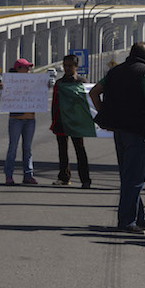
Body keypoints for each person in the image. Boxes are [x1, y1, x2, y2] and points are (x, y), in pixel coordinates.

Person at [90, 42, 145, 234]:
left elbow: (94, 92)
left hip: (120, 132)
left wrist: (105, 113)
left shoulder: (115, 72)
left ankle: (138, 216)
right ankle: (127, 221)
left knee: (128, 176)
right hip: (139, 132)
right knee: (136, 178)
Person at [50, 54, 92, 188]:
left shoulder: (82, 82)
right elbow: (55, 104)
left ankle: (85, 180)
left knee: (80, 150)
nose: (67, 68)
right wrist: (54, 121)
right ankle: (63, 177)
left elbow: (87, 103)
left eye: (70, 66)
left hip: (76, 122)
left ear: (76, 66)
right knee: (62, 151)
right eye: (65, 65)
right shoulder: (59, 83)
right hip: (61, 121)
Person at [4, 58, 42, 185]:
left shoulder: (33, 82)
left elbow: (40, 93)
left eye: (28, 68)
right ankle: (9, 175)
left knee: (28, 149)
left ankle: (28, 175)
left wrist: (44, 87)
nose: (28, 70)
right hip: (16, 120)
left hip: (30, 119)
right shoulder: (10, 82)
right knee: (12, 149)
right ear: (18, 69)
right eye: (25, 67)